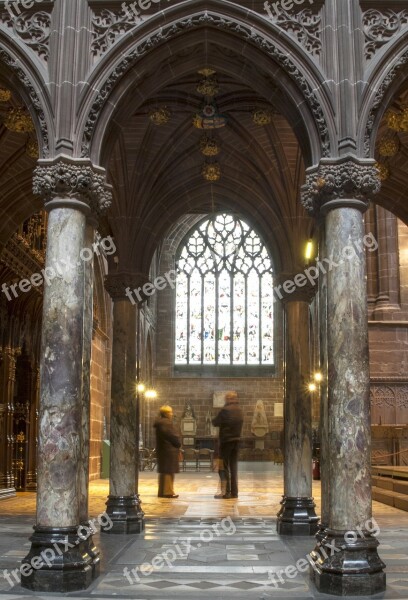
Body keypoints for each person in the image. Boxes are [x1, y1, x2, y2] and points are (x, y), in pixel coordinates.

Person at [212, 392, 243, 499]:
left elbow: (215, 422)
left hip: (226, 442)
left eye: (226, 398)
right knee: (234, 468)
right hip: (237, 441)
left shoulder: (225, 410)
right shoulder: (239, 410)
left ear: (228, 399)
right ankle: (235, 493)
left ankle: (226, 492)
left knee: (224, 467)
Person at [154, 405, 181, 498]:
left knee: (164, 472)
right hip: (168, 451)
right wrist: (178, 443)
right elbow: (172, 436)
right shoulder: (166, 423)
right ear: (166, 413)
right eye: (170, 412)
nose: (171, 414)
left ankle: (162, 491)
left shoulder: (161, 423)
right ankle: (168, 492)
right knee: (168, 472)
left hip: (164, 450)